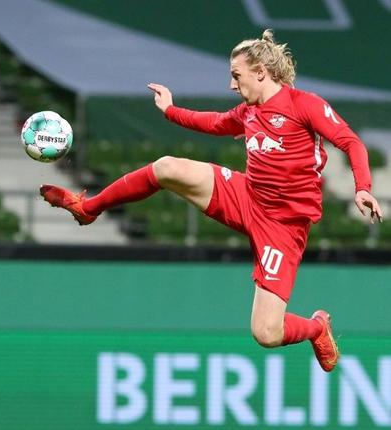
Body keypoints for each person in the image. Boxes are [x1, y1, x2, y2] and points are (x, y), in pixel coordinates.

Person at [40, 29, 384, 372]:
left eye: (237, 76)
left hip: (282, 226)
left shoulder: (303, 105)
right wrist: (171, 111)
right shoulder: (248, 113)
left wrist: (362, 187)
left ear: (260, 73)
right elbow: (215, 122)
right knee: (167, 167)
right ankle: (88, 209)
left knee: (265, 333)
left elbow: (351, 142)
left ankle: (316, 327)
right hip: (246, 195)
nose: (232, 85)